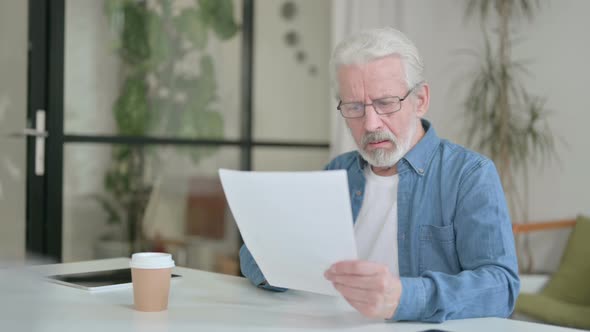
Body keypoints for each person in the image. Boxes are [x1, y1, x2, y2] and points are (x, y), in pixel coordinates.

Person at [239, 27, 519, 323]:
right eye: (355, 107)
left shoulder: (469, 175)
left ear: (420, 100)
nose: (371, 124)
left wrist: (403, 297)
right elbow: (253, 257)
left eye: (385, 103)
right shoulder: (339, 172)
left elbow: (501, 288)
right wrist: (278, 262)